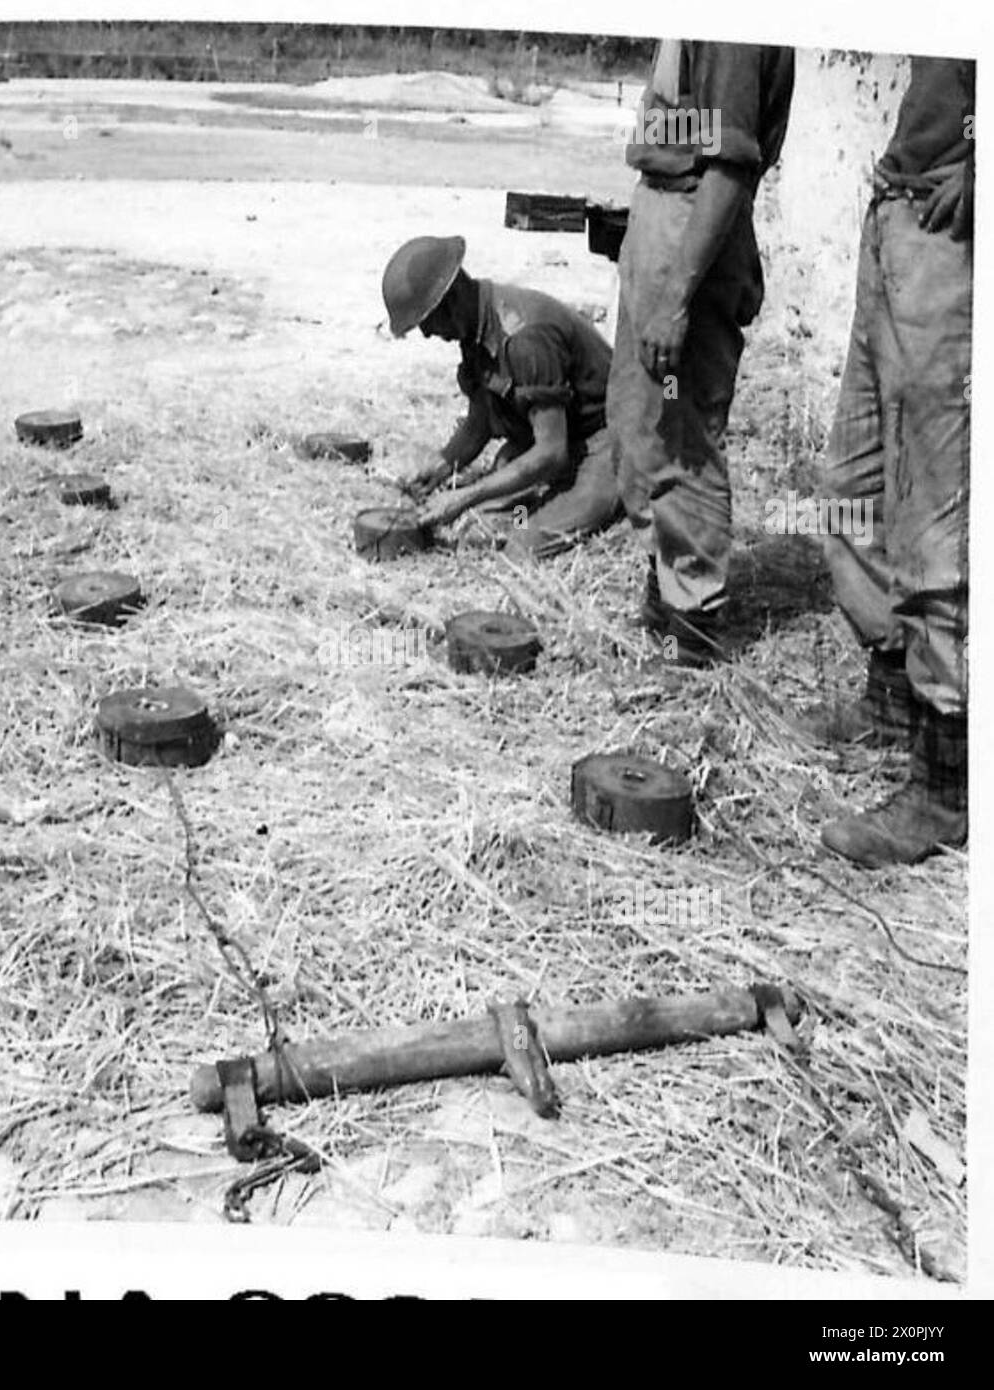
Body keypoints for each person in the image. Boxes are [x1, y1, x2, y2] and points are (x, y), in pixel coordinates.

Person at [812, 57, 972, 868]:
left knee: (931, 518)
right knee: (850, 488)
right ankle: (892, 695)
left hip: (952, 239)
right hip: (897, 216)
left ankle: (942, 787)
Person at [608, 40, 794, 665]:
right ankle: (668, 592)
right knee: (639, 425)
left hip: (691, 228)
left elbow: (730, 166)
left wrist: (676, 299)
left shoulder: (733, 29)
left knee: (680, 431)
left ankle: (694, 627)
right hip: (664, 212)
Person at [381, 235, 622, 559]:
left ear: (449, 301)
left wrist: (465, 496)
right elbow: (480, 423)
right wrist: (438, 469)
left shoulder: (524, 339)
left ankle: (611, 501)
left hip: (604, 440)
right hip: (553, 436)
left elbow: (552, 452)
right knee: (487, 524)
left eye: (426, 322)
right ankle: (537, 502)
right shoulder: (473, 323)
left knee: (521, 548)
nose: (426, 333)